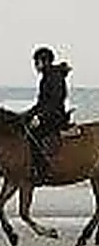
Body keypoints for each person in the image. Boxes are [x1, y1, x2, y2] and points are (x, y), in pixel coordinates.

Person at [24, 45, 71, 184]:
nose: (35, 65)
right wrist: (26, 115)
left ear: (43, 61)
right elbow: (41, 103)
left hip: (55, 116)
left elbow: (55, 101)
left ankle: (41, 170)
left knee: (34, 134)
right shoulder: (47, 76)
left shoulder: (54, 77)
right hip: (49, 114)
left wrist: (40, 117)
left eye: (36, 62)